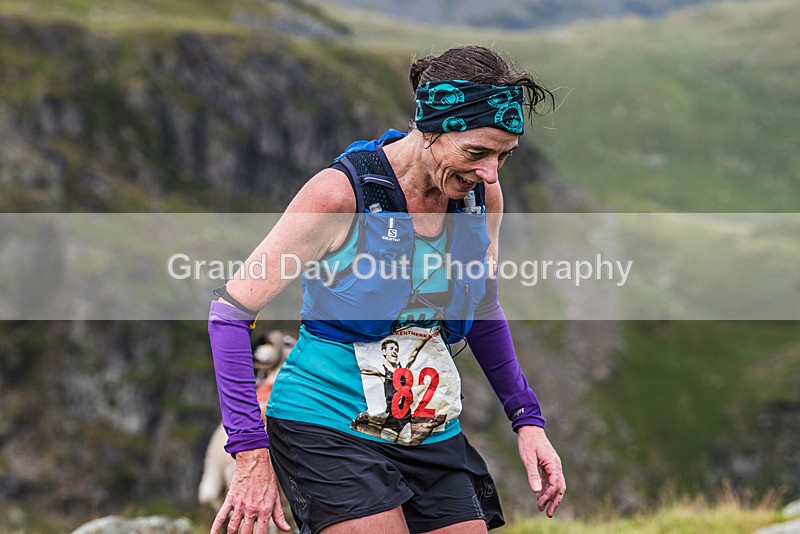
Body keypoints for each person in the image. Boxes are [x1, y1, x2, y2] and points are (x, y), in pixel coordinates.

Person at [208, 45, 566, 534]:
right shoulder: (339, 196)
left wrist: (527, 419)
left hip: (425, 425)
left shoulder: (482, 198)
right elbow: (229, 313)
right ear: (430, 130)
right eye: (476, 152)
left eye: (504, 155)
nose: (489, 172)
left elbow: (483, 307)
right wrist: (250, 455)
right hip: (326, 422)